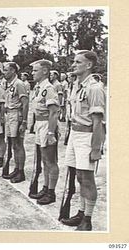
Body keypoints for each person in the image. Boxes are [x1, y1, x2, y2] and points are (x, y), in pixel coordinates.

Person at [60, 51, 105, 231]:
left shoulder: (94, 88)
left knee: (87, 179)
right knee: (78, 176)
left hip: (87, 136)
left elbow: (98, 123)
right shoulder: (76, 85)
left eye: (78, 62)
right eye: (73, 61)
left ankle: (87, 218)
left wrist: (95, 148)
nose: (73, 65)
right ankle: (80, 212)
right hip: (75, 134)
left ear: (89, 65)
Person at [29, 59, 60, 204]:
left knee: (50, 160)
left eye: (35, 70)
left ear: (45, 71)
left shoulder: (48, 88)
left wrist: (51, 133)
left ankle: (51, 192)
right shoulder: (38, 87)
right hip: (40, 124)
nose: (32, 73)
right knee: (44, 160)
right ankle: (46, 187)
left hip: (47, 125)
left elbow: (54, 112)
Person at [2, 62, 29, 183]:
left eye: (6, 70)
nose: (4, 72)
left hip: (16, 114)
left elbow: (25, 103)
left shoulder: (19, 84)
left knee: (18, 144)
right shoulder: (9, 84)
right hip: (9, 114)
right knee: (13, 144)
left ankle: (21, 171)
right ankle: (17, 168)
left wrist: (24, 121)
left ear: (13, 71)